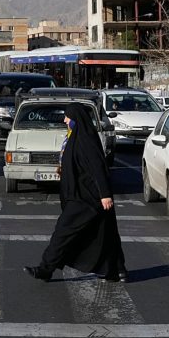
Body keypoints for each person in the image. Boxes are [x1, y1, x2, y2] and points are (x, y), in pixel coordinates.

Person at [24, 103, 127, 283]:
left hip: (86, 197)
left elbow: (98, 167)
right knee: (104, 233)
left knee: (62, 233)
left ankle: (45, 269)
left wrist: (105, 194)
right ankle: (117, 270)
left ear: (76, 119)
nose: (65, 120)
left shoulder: (86, 140)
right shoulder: (74, 137)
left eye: (67, 117)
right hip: (79, 195)